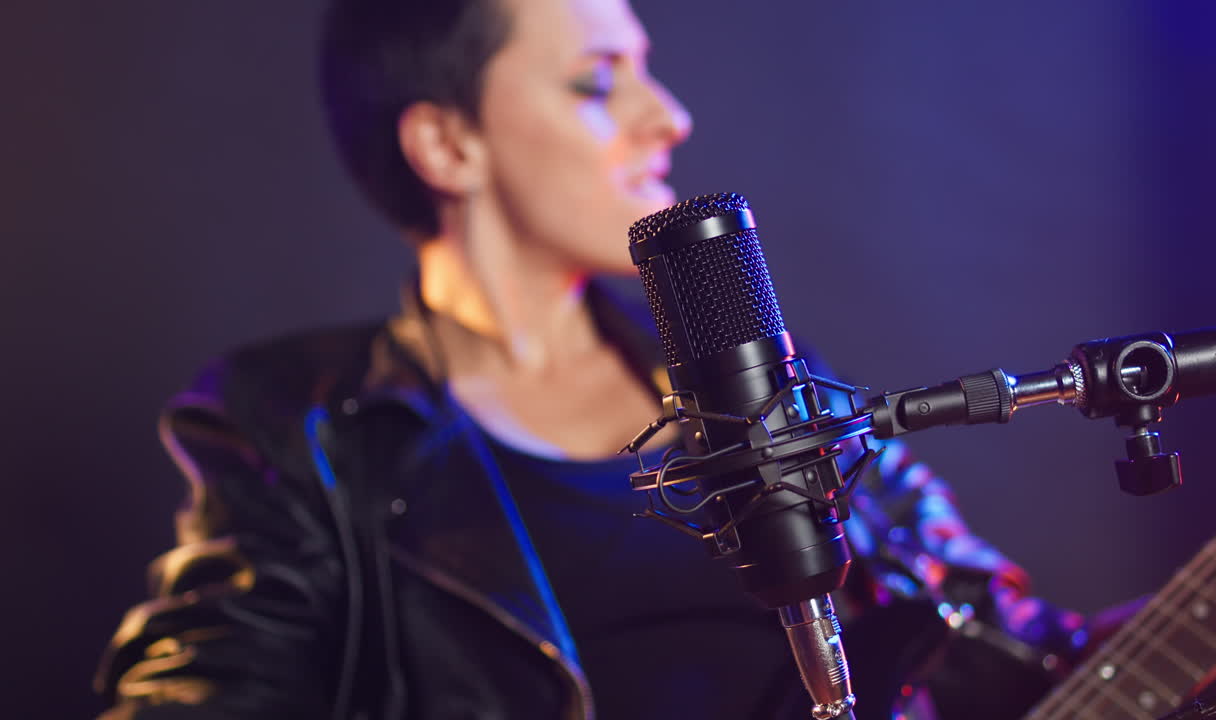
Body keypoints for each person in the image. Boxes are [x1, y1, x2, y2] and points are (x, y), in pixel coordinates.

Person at [94, 0, 1091, 718]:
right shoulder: (298, 425)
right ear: (446, 145)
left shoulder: (748, 376)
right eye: (598, 82)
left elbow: (1008, 640)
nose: (668, 116)